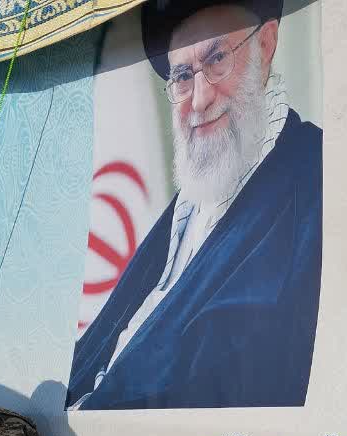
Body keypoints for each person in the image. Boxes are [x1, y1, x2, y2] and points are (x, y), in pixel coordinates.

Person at [67, 0, 322, 410]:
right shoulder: (193, 200)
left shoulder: (316, 178)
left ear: (266, 45)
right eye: (183, 76)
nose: (200, 99)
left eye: (217, 59)